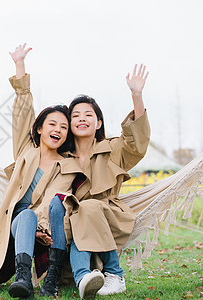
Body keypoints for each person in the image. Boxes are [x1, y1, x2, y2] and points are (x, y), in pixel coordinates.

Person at [0, 44, 80, 299]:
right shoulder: (25, 151)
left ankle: (40, 279)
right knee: (27, 216)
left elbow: (57, 201)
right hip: (19, 221)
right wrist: (20, 66)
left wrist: (43, 229)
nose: (58, 129)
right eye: (52, 124)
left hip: (49, 224)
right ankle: (22, 279)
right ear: (39, 129)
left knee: (44, 211)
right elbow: (21, 112)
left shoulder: (67, 164)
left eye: (64, 127)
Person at [63, 64, 151, 299]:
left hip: (110, 217)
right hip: (72, 223)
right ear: (69, 124)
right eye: (76, 115)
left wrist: (136, 96)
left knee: (89, 207)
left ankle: (114, 273)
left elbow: (137, 145)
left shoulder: (112, 148)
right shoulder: (62, 157)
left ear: (98, 123)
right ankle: (83, 279)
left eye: (88, 115)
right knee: (80, 212)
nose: (82, 119)